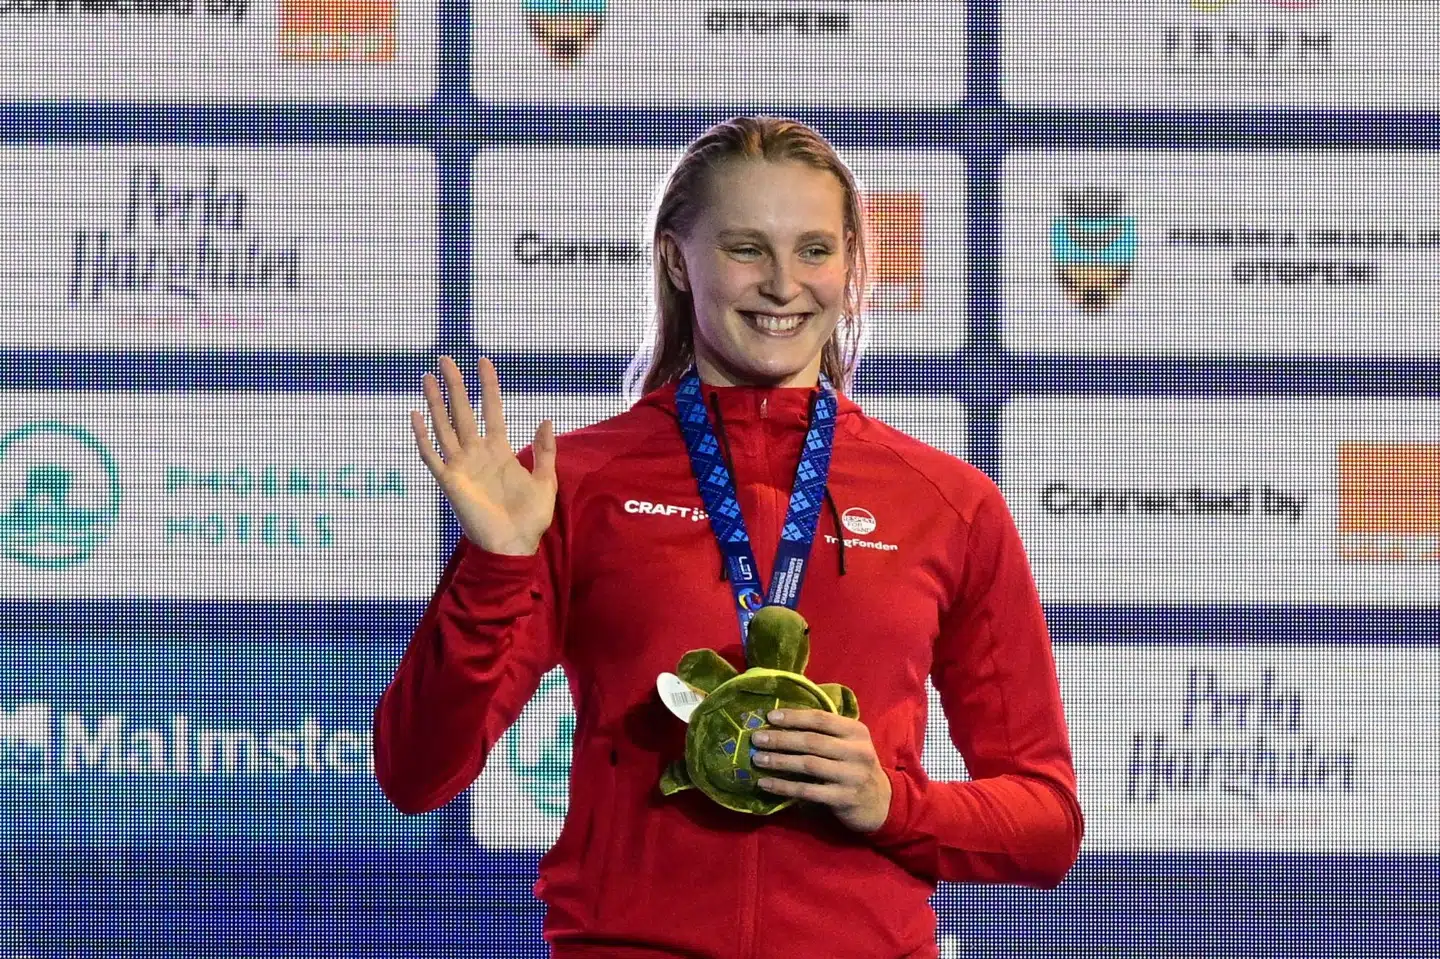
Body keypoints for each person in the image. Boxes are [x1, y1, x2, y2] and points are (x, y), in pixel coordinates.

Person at [373, 115, 1083, 958]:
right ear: (678, 259)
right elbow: (417, 773)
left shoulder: (947, 504)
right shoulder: (573, 486)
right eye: (747, 248)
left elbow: (1046, 824)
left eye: (815, 250)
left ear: (852, 261)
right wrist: (497, 567)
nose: (783, 285)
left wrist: (895, 803)